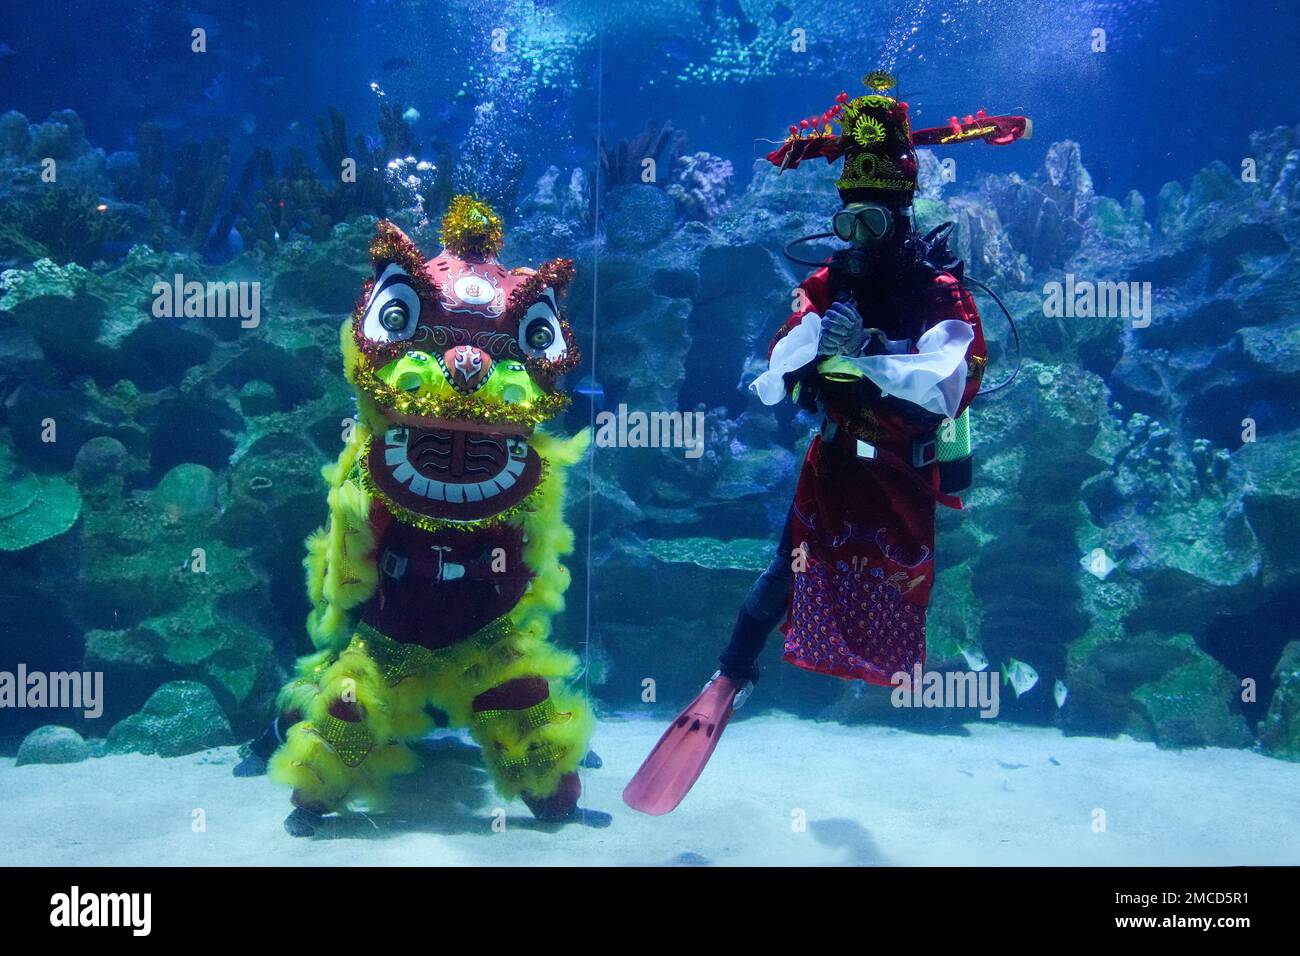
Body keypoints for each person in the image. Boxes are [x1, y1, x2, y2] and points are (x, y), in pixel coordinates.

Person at [625, 72, 1029, 815]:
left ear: (901, 216)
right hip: (837, 461)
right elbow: (778, 371)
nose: (858, 241)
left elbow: (952, 378)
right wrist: (814, 353)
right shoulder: (826, 282)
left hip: (901, 470)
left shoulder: (937, 290)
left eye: (872, 223)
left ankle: (813, 675)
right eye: (849, 222)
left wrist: (868, 353)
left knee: (892, 578)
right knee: (784, 571)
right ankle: (730, 675)